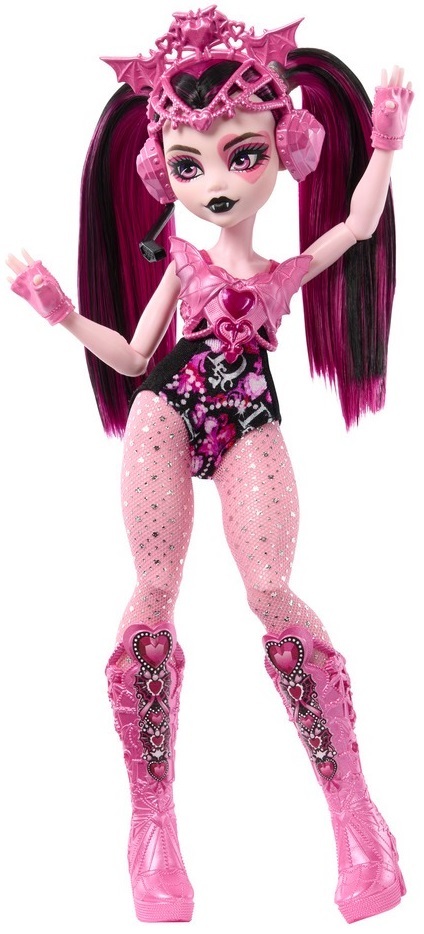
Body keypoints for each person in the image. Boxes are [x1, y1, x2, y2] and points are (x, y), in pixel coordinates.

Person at [6, 6, 413, 926]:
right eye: (189, 165)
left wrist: (386, 144)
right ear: (164, 172)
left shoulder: (279, 275)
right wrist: (61, 314)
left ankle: (356, 814)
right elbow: (130, 354)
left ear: (286, 149)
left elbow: (356, 226)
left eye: (243, 154)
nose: (217, 184)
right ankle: (152, 826)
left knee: (271, 589)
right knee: (154, 592)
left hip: (249, 418)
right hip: (167, 409)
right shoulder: (179, 262)